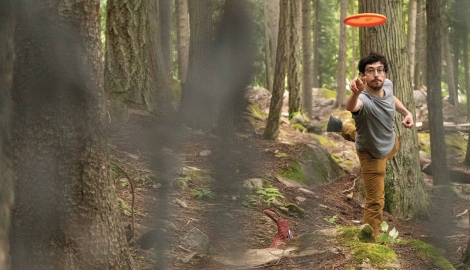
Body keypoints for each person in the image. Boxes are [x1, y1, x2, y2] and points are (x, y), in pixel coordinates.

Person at [327, 52, 414, 241]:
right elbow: (352, 107)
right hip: (372, 154)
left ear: (385, 73)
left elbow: (391, 98)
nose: (377, 75)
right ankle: (368, 242)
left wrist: (406, 112)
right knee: (376, 202)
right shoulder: (363, 100)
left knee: (362, 133)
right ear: (363, 75)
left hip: (390, 142)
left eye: (380, 70)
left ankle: (340, 126)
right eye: (371, 71)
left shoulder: (387, 84)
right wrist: (356, 92)